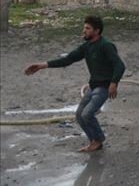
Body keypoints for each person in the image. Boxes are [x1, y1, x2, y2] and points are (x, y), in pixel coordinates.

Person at [24, 16, 126, 152]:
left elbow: (119, 65)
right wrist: (42, 65)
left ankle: (98, 140)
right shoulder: (86, 46)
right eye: (84, 27)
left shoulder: (106, 45)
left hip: (103, 87)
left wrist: (114, 83)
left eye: (87, 28)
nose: (84, 31)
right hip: (93, 86)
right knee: (79, 115)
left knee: (87, 114)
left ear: (97, 31)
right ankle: (95, 141)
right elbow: (67, 59)